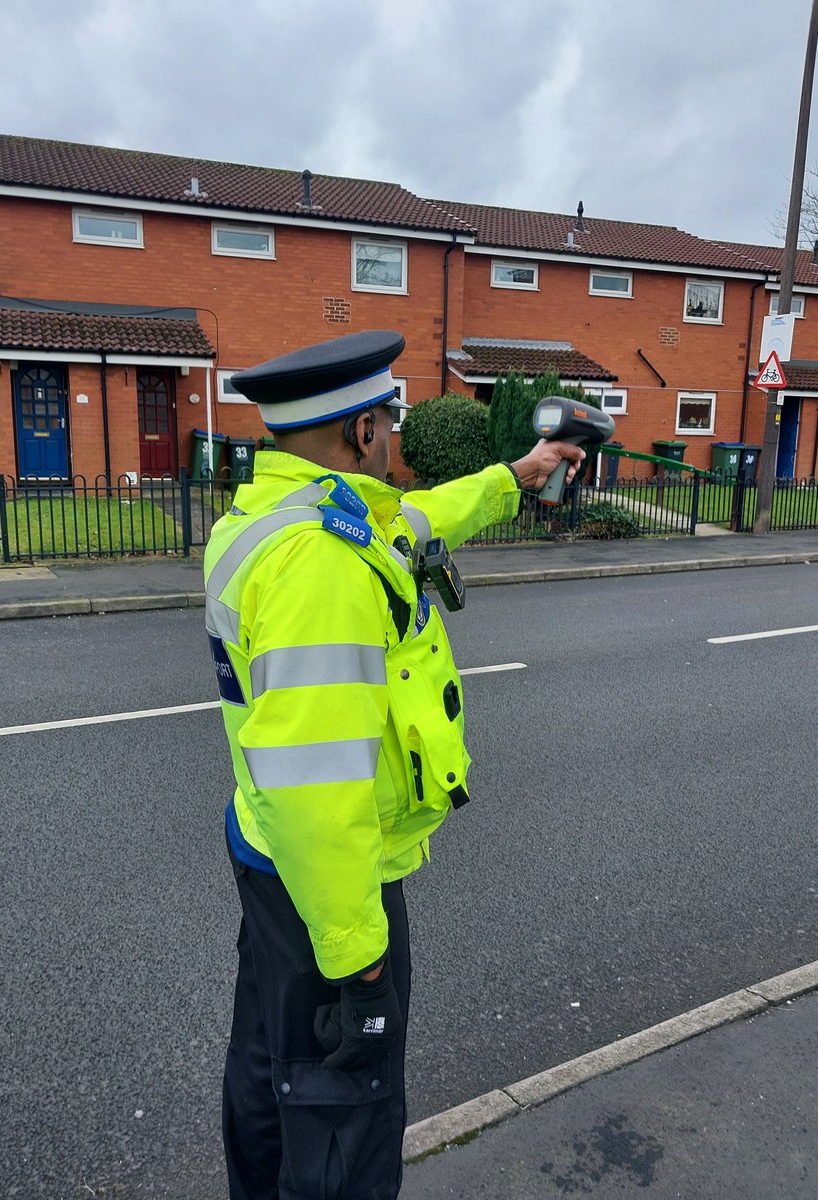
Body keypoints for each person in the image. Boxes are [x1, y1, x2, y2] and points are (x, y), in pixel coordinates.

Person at [204, 330, 583, 1200]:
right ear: (362, 430)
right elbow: (315, 780)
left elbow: (418, 519)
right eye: (390, 421)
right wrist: (360, 958)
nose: (396, 438)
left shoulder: (277, 518)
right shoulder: (322, 567)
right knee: (345, 1110)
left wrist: (517, 476)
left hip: (268, 853)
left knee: (269, 1067)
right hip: (331, 886)